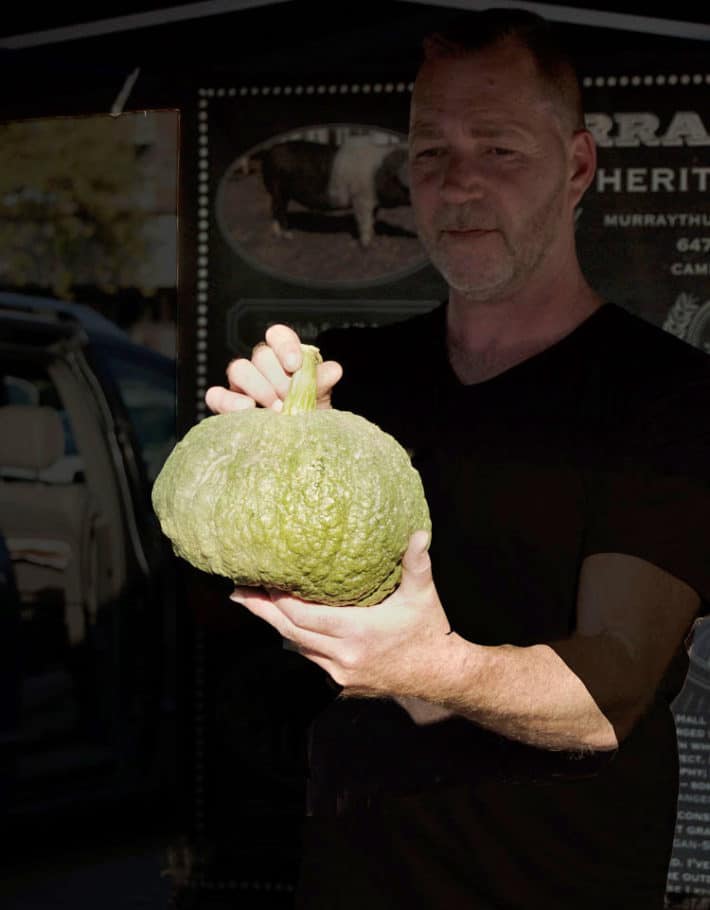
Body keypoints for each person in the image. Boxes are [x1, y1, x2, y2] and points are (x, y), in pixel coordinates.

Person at [205, 8, 710, 908]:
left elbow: (615, 690)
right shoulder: (356, 385)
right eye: (430, 153)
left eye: (500, 150)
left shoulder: (665, 394)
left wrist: (427, 664)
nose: (456, 184)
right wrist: (261, 467)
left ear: (579, 167)